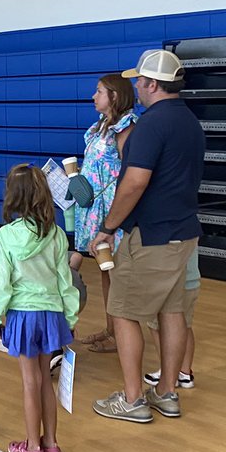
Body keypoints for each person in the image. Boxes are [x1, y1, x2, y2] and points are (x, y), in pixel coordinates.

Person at [90, 50, 206, 423]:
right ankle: (167, 393)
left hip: (152, 236)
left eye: (140, 81)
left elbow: (135, 182)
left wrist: (107, 228)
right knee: (171, 312)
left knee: (122, 310)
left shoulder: (151, 125)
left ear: (153, 84)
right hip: (184, 233)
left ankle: (132, 398)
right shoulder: (189, 121)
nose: (136, 87)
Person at [0, 165, 80, 452]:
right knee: (45, 382)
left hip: (22, 316)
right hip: (51, 315)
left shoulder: (7, 236)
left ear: (12, 196)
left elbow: (1, 283)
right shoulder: (57, 235)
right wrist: (71, 318)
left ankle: (33, 447)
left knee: (29, 381)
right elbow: (66, 281)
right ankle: (51, 444)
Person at [70, 75, 138, 354]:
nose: (93, 96)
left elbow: (129, 168)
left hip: (112, 209)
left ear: (115, 95)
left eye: (99, 92)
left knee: (117, 271)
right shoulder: (99, 127)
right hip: (94, 209)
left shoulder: (126, 127)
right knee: (105, 272)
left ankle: (120, 333)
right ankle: (111, 329)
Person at [144, 249, 200, 389]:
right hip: (192, 281)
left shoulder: (165, 228)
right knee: (185, 326)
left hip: (167, 284)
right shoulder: (189, 228)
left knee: (157, 326)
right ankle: (185, 373)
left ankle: (168, 373)